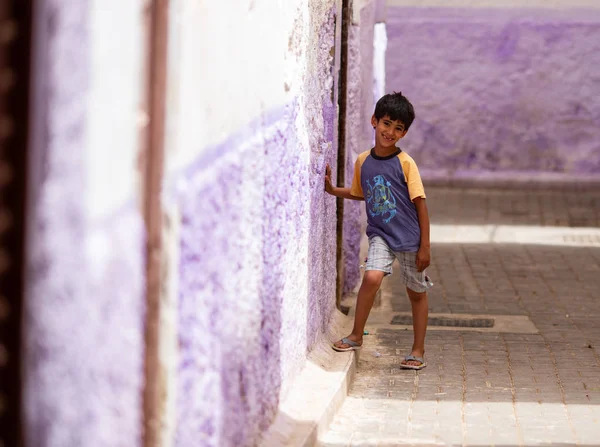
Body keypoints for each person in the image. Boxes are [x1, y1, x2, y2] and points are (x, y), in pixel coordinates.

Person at [324, 91, 432, 370]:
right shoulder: (364, 161)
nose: (390, 132)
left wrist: (425, 247)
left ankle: (417, 350)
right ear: (374, 121)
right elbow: (362, 194)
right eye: (386, 123)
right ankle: (356, 334)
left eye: (398, 128)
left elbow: (421, 204)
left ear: (404, 133)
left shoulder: (405, 163)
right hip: (380, 234)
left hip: (409, 238)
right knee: (371, 277)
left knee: (416, 293)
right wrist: (333, 190)